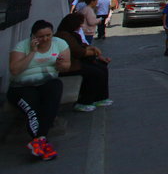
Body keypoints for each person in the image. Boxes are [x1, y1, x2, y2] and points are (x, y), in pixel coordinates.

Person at [6, 20, 71, 161]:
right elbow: (15, 70)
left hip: (46, 82)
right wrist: (32, 52)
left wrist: (60, 65)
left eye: (49, 35)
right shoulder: (22, 46)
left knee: (54, 92)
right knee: (33, 108)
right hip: (22, 86)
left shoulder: (59, 44)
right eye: (41, 36)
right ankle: (40, 140)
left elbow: (66, 66)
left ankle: (39, 141)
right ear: (33, 36)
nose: (46, 39)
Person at [55, 14, 113, 112]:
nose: (81, 26)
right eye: (80, 23)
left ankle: (100, 97)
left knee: (101, 67)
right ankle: (85, 101)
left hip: (77, 62)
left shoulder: (72, 34)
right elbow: (79, 52)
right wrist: (94, 51)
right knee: (94, 72)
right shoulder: (64, 35)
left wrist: (94, 52)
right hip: (70, 66)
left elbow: (83, 46)